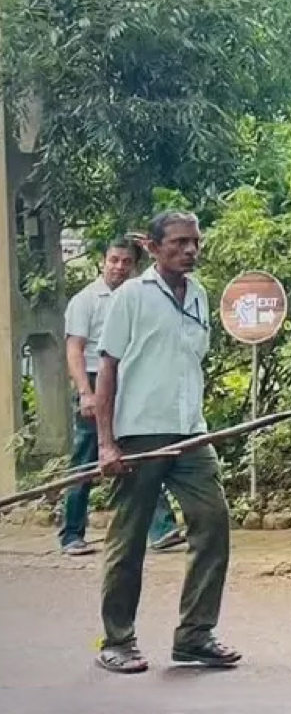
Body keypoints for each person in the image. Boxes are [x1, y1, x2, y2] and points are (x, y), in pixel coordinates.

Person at [93, 211, 239, 673]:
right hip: (138, 435)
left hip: (191, 433)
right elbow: (108, 368)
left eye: (195, 242)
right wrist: (106, 444)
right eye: (178, 243)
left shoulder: (198, 295)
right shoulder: (131, 297)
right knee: (129, 540)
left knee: (213, 523)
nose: (190, 250)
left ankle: (195, 635)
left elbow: (190, 364)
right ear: (153, 248)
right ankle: (117, 640)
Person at [59, 236, 183, 557]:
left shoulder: (140, 297)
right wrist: (85, 393)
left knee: (141, 452)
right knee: (87, 459)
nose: (119, 267)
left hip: (129, 381)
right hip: (94, 382)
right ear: (104, 261)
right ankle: (71, 533)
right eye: (114, 260)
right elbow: (74, 349)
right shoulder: (86, 300)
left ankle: (162, 528)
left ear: (135, 266)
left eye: (126, 262)